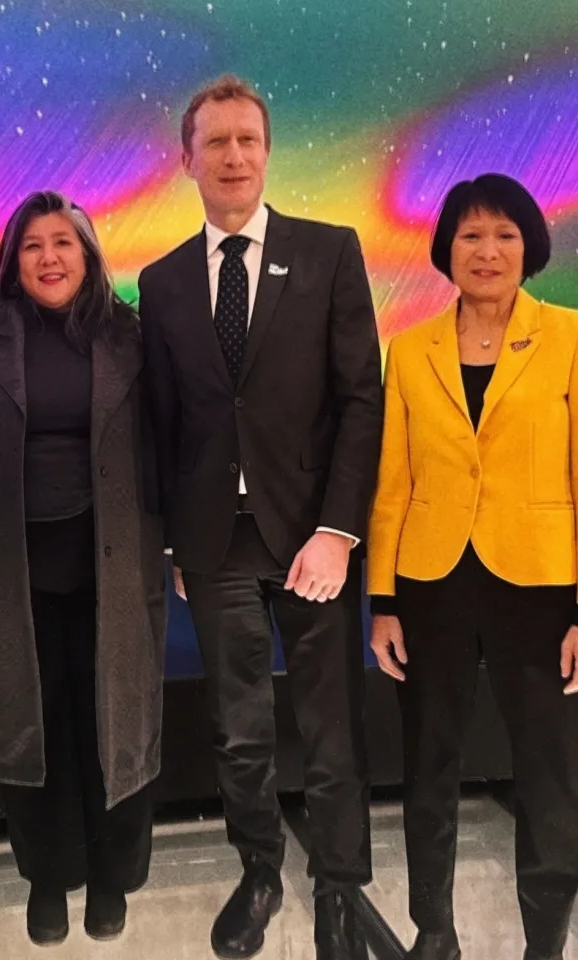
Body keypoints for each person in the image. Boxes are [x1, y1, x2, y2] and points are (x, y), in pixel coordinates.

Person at [138, 75, 383, 960]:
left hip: (313, 537)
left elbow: (363, 399)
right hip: (215, 547)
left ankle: (340, 892)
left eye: (248, 140)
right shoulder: (161, 283)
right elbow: (162, 421)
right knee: (240, 730)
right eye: (216, 142)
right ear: (187, 158)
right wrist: (171, 535)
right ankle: (261, 870)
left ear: (267, 151)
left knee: (329, 728)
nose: (233, 156)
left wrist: (340, 530)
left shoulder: (329, 252)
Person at [366, 173, 578, 960]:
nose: (487, 251)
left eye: (505, 235)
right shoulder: (410, 348)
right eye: (471, 235)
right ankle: (433, 931)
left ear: (529, 246)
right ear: (446, 247)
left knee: (546, 771)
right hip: (431, 582)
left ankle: (544, 939)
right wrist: (382, 599)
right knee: (428, 764)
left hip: (540, 587)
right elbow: (393, 481)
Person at [0, 191, 167, 946]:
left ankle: (112, 881)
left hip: (113, 570)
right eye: (34, 245)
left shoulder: (130, 337)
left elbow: (165, 443)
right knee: (33, 729)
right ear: (14, 260)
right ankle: (48, 879)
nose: (49, 257)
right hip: (16, 575)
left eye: (63, 244)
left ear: (89, 255)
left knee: (114, 725)